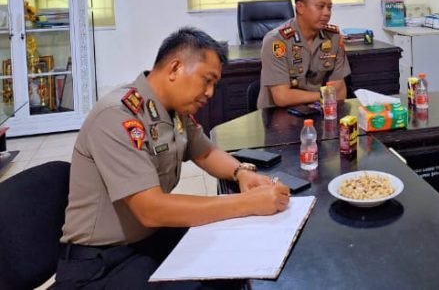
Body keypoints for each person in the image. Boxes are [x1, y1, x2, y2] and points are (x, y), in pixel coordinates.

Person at [56, 27, 290, 289]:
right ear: (175, 68)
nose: (210, 92)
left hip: (147, 242)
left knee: (236, 261)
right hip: (100, 264)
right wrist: (247, 203)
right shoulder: (118, 115)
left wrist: (241, 172)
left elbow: (206, 152)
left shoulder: (172, 111)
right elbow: (151, 210)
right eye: (207, 80)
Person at [258, 0, 351, 108]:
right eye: (320, 6)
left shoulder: (333, 37)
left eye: (329, 7)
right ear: (300, 7)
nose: (327, 13)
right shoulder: (277, 41)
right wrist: (325, 95)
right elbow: (282, 97)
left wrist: (327, 99)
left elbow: (339, 90)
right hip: (279, 113)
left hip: (319, 109)